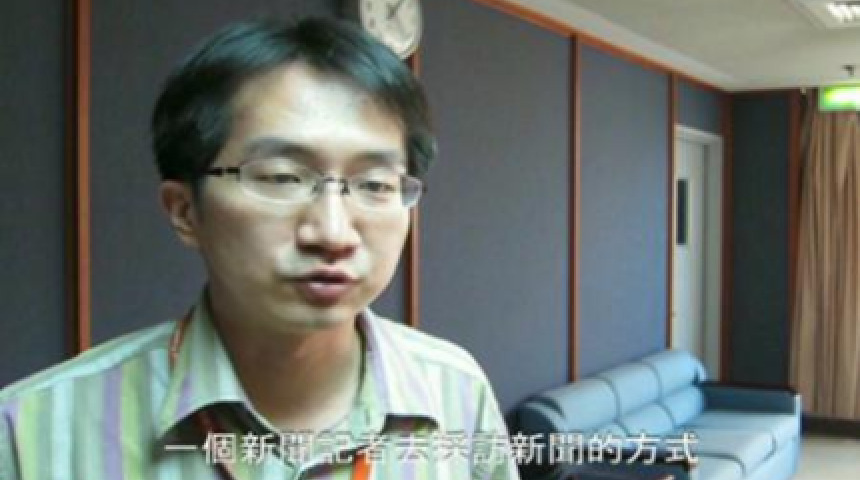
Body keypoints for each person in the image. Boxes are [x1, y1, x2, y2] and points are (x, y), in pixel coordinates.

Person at [0, 17, 520, 480]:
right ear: (185, 211)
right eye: (281, 177)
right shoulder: (30, 432)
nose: (333, 232)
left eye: (375, 184)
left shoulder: (455, 391)